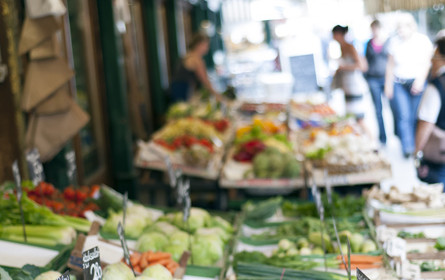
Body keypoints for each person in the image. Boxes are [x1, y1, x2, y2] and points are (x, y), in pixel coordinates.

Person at [385, 14, 433, 158]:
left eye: (403, 27)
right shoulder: (394, 42)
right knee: (403, 115)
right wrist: (388, 85)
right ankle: (408, 147)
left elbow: (427, 62)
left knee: (415, 116)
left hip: (417, 82)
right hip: (399, 82)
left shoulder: (422, 41)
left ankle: (417, 145)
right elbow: (390, 65)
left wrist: (420, 80)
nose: (400, 31)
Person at [415, 37, 445, 186]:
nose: (431, 61)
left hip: (440, 159)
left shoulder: (437, 86)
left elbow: (426, 123)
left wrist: (417, 152)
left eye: (434, 56)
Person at [331, 25, 369, 131]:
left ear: (338, 34)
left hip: (355, 87)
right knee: (352, 118)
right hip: (348, 87)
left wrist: (343, 67)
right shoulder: (342, 47)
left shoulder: (350, 47)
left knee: (359, 119)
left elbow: (362, 66)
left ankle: (372, 142)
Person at [170, 33, 221, 103]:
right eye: (206, 45)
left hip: (176, 88)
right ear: (199, 45)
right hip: (182, 90)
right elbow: (205, 81)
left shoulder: (188, 55)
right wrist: (219, 96)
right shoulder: (196, 59)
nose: (207, 48)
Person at [365, 19, 389, 146]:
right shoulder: (369, 43)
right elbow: (366, 61)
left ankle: (400, 135)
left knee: (394, 108)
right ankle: (382, 137)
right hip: (373, 79)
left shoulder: (388, 42)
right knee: (378, 110)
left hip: (386, 78)